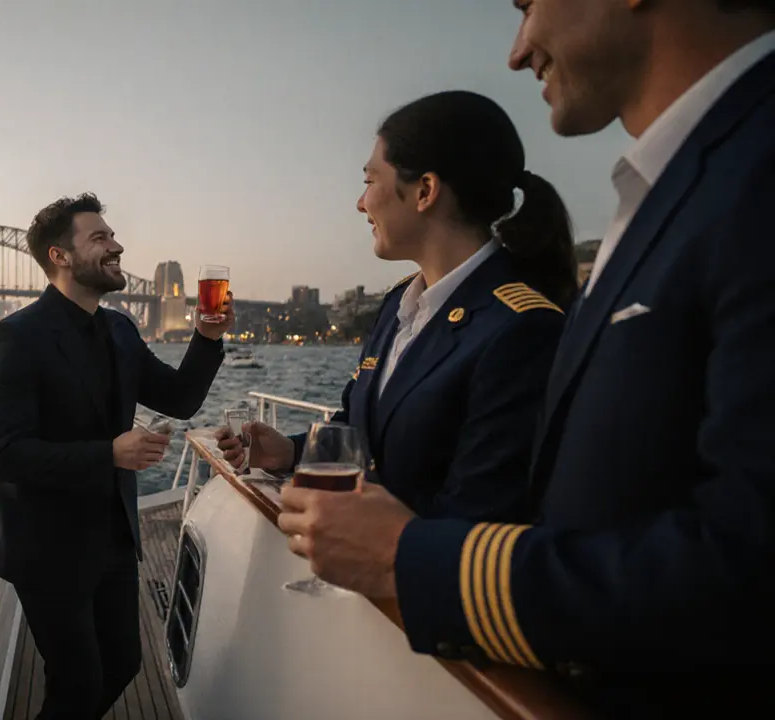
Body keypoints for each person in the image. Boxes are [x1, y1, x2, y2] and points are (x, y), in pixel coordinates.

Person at [274, 2, 775, 716]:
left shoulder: (749, 174)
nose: (516, 50)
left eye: (526, 3)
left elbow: (749, 565)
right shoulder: (683, 189)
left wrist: (407, 558)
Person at [217, 90, 575, 522]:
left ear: (424, 190)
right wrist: (290, 450)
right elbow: (360, 427)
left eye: (369, 181)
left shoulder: (522, 328)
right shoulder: (399, 305)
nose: (360, 202)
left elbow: (482, 519)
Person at [0, 193, 232, 719]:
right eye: (100, 238)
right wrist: (108, 454)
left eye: (111, 236)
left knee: (122, 665)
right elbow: (5, 454)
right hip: (47, 549)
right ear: (60, 257)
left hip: (114, 540)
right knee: (76, 683)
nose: (117, 246)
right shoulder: (14, 338)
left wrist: (206, 337)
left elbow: (181, 398)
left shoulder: (119, 329)